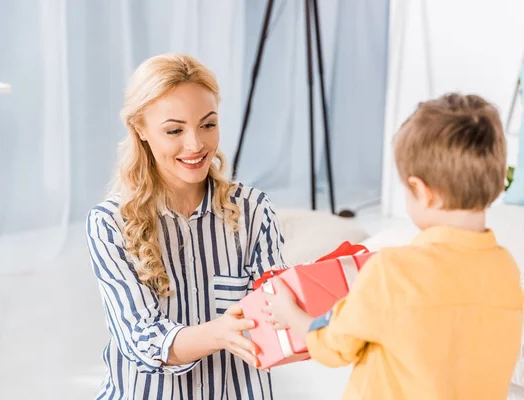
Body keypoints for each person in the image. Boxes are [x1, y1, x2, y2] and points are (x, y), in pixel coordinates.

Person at [263, 93, 523, 399]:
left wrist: (289, 313)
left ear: (420, 191)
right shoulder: (506, 268)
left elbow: (335, 344)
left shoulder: (393, 271)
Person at [85, 53, 285, 399]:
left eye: (208, 125)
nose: (195, 145)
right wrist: (220, 333)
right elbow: (142, 341)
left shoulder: (253, 211)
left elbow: (282, 314)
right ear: (140, 130)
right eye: (174, 130)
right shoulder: (109, 224)